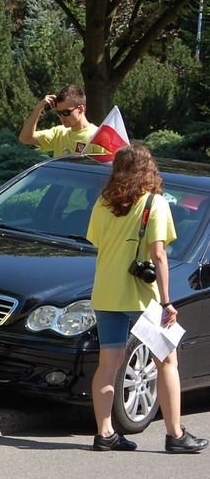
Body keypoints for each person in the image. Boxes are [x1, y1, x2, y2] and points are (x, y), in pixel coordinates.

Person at [86, 144, 206, 453]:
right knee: (166, 361)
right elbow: (159, 255)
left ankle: (105, 433)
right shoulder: (155, 203)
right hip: (143, 300)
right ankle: (176, 434)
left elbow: (99, 243)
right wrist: (167, 301)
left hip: (105, 294)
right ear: (149, 170)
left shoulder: (103, 202)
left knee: (107, 365)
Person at [19, 83, 103, 156]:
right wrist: (38, 108)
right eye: (59, 113)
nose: (62, 117)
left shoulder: (98, 137)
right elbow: (25, 138)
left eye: (66, 112)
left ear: (80, 109)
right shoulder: (59, 133)